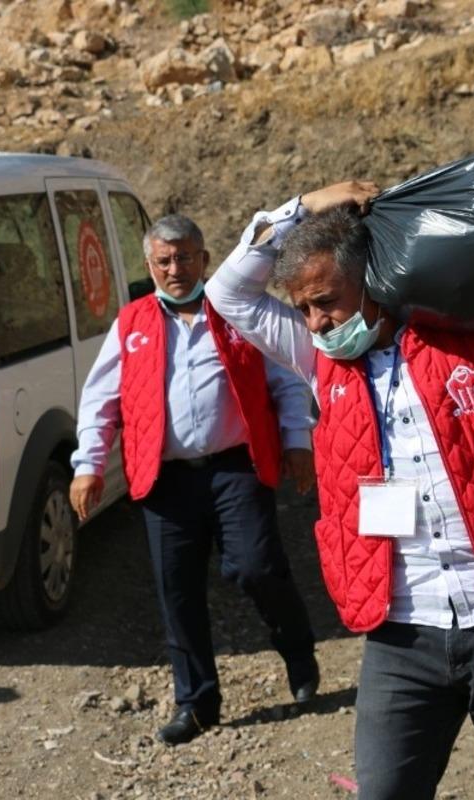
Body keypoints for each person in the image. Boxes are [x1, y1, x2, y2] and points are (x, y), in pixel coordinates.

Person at [206, 181, 474, 799]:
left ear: (375, 282)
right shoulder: (320, 362)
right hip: (402, 629)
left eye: (327, 301)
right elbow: (227, 291)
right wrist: (305, 205)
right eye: (304, 308)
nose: (315, 321)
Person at [69, 214, 320, 746]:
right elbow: (100, 399)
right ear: (149, 267)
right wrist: (89, 465)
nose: (175, 268)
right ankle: (197, 702)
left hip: (236, 466)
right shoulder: (132, 322)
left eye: (185, 257)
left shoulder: (235, 312)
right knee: (176, 591)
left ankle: (298, 651)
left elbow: (288, 378)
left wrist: (298, 440)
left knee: (256, 567)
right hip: (165, 479)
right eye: (164, 260)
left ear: (205, 260)